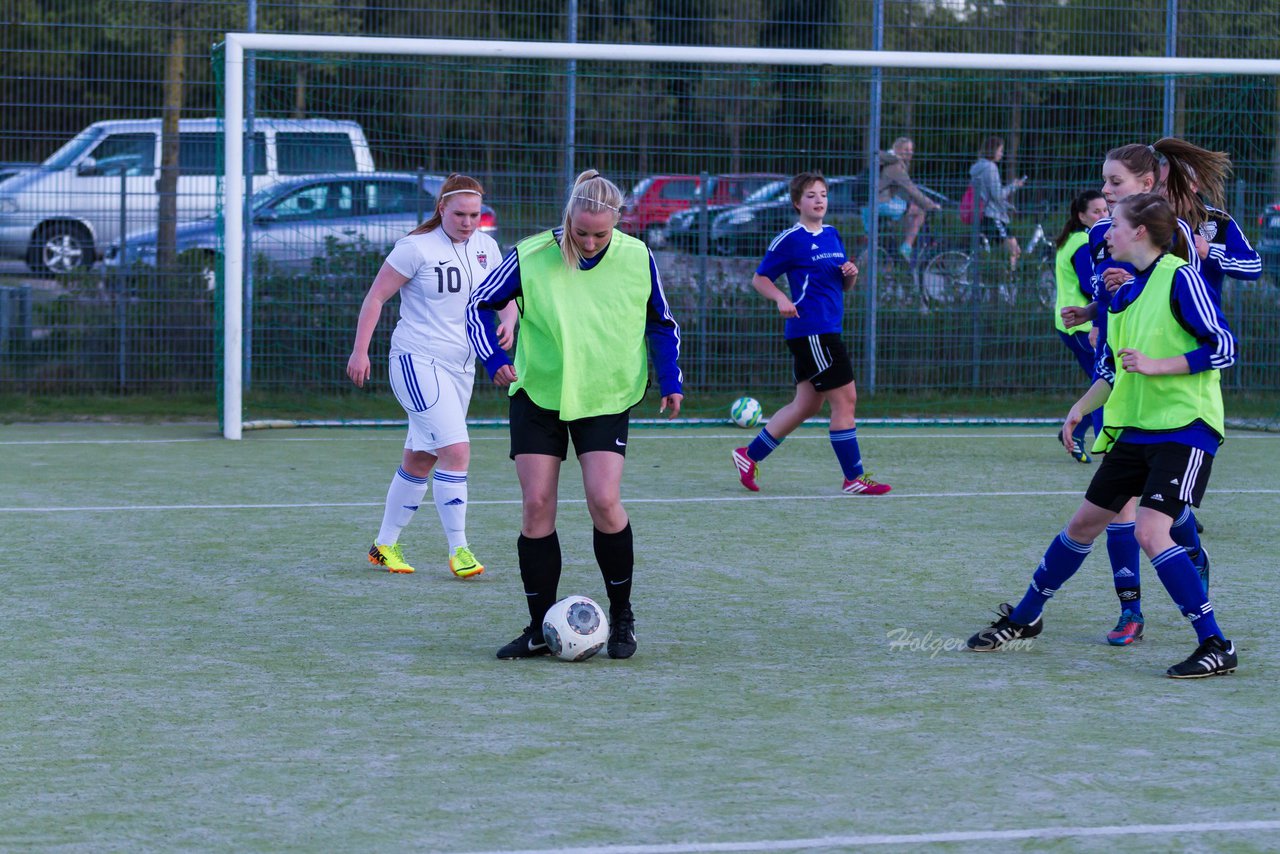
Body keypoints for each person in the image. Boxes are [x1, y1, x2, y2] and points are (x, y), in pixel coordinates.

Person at [967, 193, 1238, 679]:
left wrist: (1159, 366)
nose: (1105, 230)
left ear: (1138, 232)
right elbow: (1113, 368)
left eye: (1113, 223)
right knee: (1082, 526)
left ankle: (1216, 644)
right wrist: (1078, 409)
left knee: (1150, 531)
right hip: (1134, 430)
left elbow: (1223, 347)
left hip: (1187, 429)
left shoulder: (1181, 276)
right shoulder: (1122, 293)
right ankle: (1026, 618)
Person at [465, 169, 684, 661]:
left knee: (605, 501)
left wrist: (670, 379)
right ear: (568, 218)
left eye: (599, 234)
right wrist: (495, 360)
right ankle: (540, 628)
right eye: (579, 231)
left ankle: (622, 616)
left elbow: (661, 322)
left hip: (605, 394)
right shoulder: (531, 254)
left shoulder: (637, 256)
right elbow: (479, 305)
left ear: (617, 223)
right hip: (539, 392)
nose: (587, 241)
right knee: (537, 503)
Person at [1060, 140, 1224, 644]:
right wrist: (1094, 313)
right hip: (1126, 384)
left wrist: (1209, 253)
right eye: (1105, 182)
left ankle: (1195, 584)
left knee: (1155, 520)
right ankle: (1130, 610)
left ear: (1146, 187)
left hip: (1167, 396)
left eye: (1115, 183)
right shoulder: (1098, 237)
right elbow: (1118, 293)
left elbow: (1174, 296)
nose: (1105, 191)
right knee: (1120, 511)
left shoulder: (1169, 238)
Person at [346, 173, 514, 578]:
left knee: (421, 458)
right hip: (416, 361)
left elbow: (508, 295)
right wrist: (360, 350)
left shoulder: (486, 247)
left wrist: (508, 318)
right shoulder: (415, 247)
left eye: (475, 214)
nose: (468, 222)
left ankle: (383, 545)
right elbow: (376, 297)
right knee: (456, 450)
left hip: (461, 367)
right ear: (442, 209)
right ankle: (460, 550)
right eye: (460, 214)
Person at [732, 171, 890, 497]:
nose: (819, 200)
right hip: (813, 332)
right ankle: (854, 478)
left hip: (826, 329)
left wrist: (851, 273)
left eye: (823, 194)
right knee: (846, 401)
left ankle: (749, 456)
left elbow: (842, 284)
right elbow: (760, 278)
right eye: (811, 195)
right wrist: (780, 298)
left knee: (806, 405)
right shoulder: (790, 240)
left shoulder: (833, 234)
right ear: (796, 202)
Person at [1053, 189, 1109, 464]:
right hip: (1082, 327)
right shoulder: (1083, 243)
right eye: (1096, 212)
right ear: (1082, 215)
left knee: (1102, 382)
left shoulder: (1072, 240)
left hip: (1071, 324)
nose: (1103, 216)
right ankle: (1097, 440)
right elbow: (1090, 286)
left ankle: (1079, 431)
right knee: (1104, 383)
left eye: (1105, 210)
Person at [873, 137, 941, 261]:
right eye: (906, 149)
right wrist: (931, 205)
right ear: (897, 150)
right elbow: (911, 188)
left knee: (908, 211)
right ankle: (906, 249)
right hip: (881, 203)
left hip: (872, 202)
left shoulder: (888, 161)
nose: (910, 152)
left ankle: (894, 264)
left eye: (911, 149)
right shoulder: (895, 165)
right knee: (920, 213)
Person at [968, 136, 1026, 268]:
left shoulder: (978, 167)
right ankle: (1008, 284)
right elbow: (997, 195)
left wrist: (1007, 206)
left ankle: (1003, 283)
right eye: (1000, 150)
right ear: (992, 151)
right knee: (1013, 251)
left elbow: (987, 195)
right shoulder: (991, 168)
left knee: (1004, 253)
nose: (1001, 153)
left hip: (983, 214)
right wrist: (1014, 186)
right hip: (994, 217)